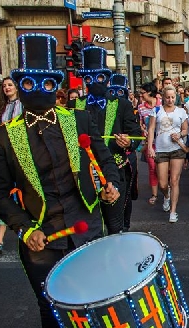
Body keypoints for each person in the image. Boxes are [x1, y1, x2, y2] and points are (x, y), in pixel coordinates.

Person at [0, 33, 120, 328]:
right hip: (42, 240)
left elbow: (103, 159)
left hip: (86, 228)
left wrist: (110, 186)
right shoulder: (4, 139)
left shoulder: (79, 119)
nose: (39, 90)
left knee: (95, 300)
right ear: (19, 83)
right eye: (29, 82)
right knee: (51, 311)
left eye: (47, 82)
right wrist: (24, 228)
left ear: (57, 84)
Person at [67, 45, 141, 234]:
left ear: (107, 79)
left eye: (99, 77)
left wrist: (129, 142)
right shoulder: (74, 105)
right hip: (84, 173)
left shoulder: (122, 104)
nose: (94, 82)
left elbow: (135, 133)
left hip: (114, 170)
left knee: (115, 223)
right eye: (89, 78)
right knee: (88, 223)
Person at [146, 85, 189, 223]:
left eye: (172, 97)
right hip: (161, 149)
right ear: (163, 97)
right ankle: (166, 195)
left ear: (175, 97)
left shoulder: (181, 111)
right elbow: (151, 129)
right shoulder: (156, 110)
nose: (170, 100)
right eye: (167, 97)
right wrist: (150, 148)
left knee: (174, 180)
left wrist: (179, 134)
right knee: (163, 184)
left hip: (177, 149)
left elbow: (185, 130)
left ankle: (173, 211)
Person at [0, 76, 23, 254]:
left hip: (20, 154)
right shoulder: (3, 107)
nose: (6, 88)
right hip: (5, 154)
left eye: (9, 85)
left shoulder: (23, 105)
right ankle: (0, 241)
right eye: (4, 86)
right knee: (4, 194)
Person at [108, 73, 140, 232]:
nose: (115, 96)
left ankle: (124, 226)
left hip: (125, 159)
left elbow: (136, 133)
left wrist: (130, 142)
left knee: (125, 195)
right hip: (100, 162)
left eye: (120, 92)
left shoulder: (126, 107)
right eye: (112, 92)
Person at [138, 82, 160, 205]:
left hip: (162, 141)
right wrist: (143, 129)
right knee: (152, 167)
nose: (141, 95)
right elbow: (141, 123)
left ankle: (166, 188)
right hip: (149, 142)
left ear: (150, 93)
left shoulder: (161, 104)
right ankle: (154, 194)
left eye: (143, 93)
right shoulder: (141, 107)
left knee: (163, 168)